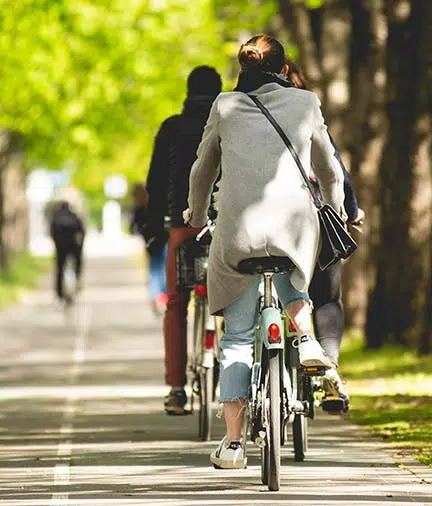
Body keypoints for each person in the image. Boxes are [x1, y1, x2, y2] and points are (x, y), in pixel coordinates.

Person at [184, 35, 344, 469]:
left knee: (236, 339)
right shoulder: (306, 102)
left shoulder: (225, 105)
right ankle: (307, 339)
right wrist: (338, 210)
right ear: (283, 65)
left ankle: (233, 444)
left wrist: (196, 214)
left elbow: (203, 167)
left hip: (238, 231)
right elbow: (329, 168)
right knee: (296, 276)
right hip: (295, 228)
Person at [142, 65, 223, 415]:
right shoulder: (230, 123)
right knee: (237, 305)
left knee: (176, 305)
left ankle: (176, 388)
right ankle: (238, 378)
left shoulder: (172, 128)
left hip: (182, 225)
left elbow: (155, 181)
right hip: (224, 226)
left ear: (188, 92)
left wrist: (154, 229)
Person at [286, 60, 365, 413]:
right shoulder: (307, 111)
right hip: (316, 218)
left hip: (265, 227)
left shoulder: (243, 113)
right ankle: (330, 366)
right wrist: (348, 210)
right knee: (328, 298)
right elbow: (336, 171)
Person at [130, 183, 168, 315]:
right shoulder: (155, 205)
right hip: (163, 241)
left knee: (155, 271)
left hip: (151, 244)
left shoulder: (138, 209)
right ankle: (162, 296)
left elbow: (133, 229)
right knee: (162, 270)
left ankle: (156, 298)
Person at [49, 200, 85, 304]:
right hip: (73, 246)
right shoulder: (74, 216)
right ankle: (77, 280)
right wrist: (80, 246)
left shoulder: (56, 217)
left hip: (61, 247)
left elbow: (52, 232)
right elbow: (82, 231)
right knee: (77, 264)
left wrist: (56, 244)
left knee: (59, 269)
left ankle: (59, 294)